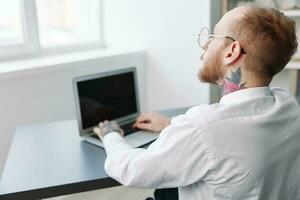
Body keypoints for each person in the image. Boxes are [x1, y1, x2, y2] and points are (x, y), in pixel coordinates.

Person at [93, 3, 300, 200]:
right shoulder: (288, 105)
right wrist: (172, 124)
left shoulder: (203, 127)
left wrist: (110, 134)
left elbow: (131, 170)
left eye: (212, 36)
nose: (206, 44)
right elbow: (234, 130)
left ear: (232, 52)